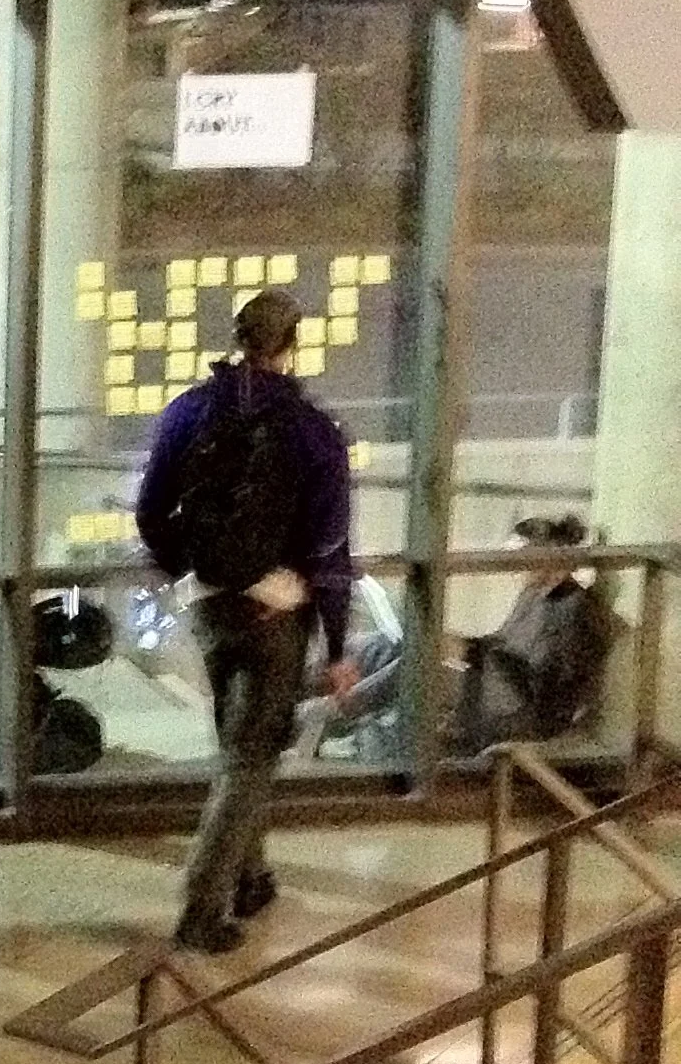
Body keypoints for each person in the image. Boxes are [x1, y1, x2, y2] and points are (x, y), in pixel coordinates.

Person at [136, 286, 357, 952]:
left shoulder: (188, 413)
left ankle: (252, 874)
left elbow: (150, 515)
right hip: (275, 614)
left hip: (209, 608)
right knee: (250, 757)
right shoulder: (313, 431)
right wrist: (337, 639)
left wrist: (200, 572)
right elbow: (330, 547)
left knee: (241, 747)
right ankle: (202, 909)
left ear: (239, 339)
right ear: (292, 345)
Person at [323, 511, 615, 761]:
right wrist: (465, 646)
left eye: (518, 560)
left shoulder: (576, 610)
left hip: (525, 709)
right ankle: (340, 702)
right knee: (388, 644)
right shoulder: (534, 594)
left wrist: (470, 654)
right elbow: (504, 645)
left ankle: (341, 713)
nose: (511, 569)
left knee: (424, 669)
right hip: (506, 687)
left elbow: (542, 682)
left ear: (547, 560)